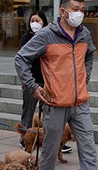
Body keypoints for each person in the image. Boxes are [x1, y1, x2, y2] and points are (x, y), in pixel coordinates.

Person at [14, 0, 98, 170]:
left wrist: (85, 77)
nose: (79, 14)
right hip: (54, 103)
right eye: (75, 9)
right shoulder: (47, 35)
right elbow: (21, 58)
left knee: (89, 150)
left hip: (80, 103)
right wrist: (33, 87)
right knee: (49, 150)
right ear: (63, 11)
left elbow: (89, 55)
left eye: (82, 10)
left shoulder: (85, 34)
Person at [18, 11, 73, 153]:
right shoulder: (27, 38)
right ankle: (25, 138)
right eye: (32, 20)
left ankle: (56, 140)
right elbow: (23, 59)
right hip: (32, 81)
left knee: (49, 113)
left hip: (48, 81)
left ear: (44, 22)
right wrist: (27, 82)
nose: (35, 23)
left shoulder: (50, 37)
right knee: (29, 111)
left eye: (38, 21)